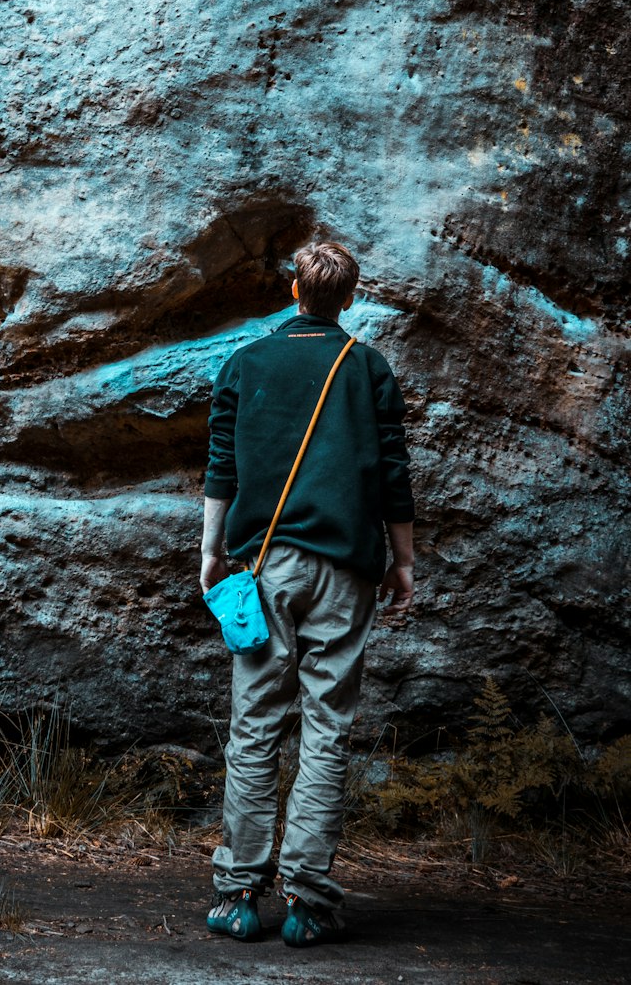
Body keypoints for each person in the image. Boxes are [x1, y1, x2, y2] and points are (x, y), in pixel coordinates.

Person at [200, 240, 414, 947]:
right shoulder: (368, 367)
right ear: (348, 297)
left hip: (265, 568)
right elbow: (392, 474)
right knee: (327, 727)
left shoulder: (246, 363)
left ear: (295, 289)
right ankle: (309, 902)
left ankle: (237, 895)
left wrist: (211, 551)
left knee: (255, 722)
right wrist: (403, 561)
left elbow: (222, 468)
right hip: (348, 569)